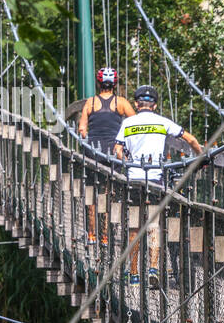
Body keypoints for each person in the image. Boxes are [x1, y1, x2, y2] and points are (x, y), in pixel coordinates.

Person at [114, 85, 204, 288]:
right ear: (154, 105)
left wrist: (127, 161)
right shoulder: (163, 122)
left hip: (134, 180)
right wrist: (201, 156)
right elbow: (190, 139)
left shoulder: (128, 123)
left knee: (134, 229)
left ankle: (134, 274)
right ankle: (153, 269)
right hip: (155, 181)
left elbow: (117, 148)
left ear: (136, 104)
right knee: (154, 226)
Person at [78, 67, 135, 246]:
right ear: (114, 84)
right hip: (113, 153)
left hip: (93, 153)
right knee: (109, 194)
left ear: (98, 83)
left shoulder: (91, 102)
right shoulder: (121, 102)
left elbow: (81, 129)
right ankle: (105, 236)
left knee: (92, 194)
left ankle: (92, 235)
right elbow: (136, 123)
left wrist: (86, 140)